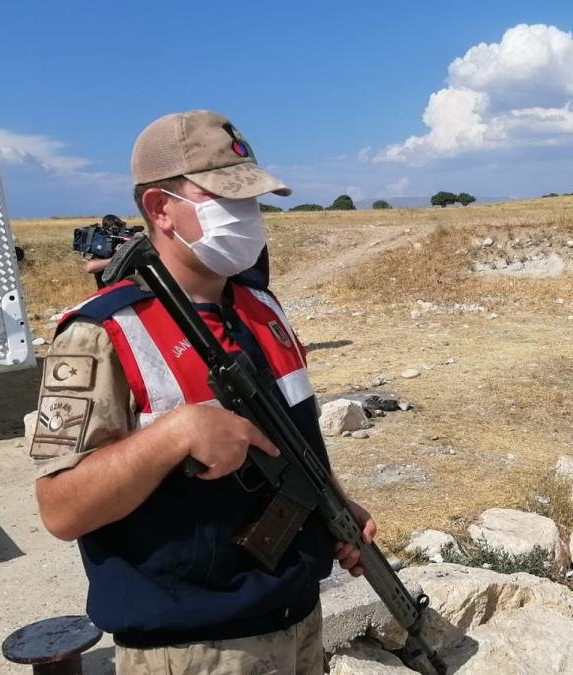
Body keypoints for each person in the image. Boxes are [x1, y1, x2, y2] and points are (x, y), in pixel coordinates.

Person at [30, 110, 372, 675]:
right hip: (196, 650)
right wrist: (176, 434)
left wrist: (332, 502)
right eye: (226, 200)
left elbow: (291, 436)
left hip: (299, 622)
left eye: (251, 201)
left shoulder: (262, 307)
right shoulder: (101, 334)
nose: (247, 217)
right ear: (160, 209)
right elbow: (61, 510)